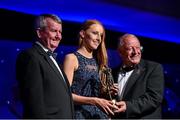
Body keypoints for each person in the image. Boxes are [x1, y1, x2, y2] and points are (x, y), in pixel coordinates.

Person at [16, 14, 74, 119]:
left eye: (60, 32)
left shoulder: (52, 59)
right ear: (39, 33)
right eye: (54, 31)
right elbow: (33, 103)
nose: (58, 36)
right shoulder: (30, 56)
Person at [63, 19, 117, 119]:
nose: (99, 39)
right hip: (79, 114)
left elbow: (96, 93)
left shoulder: (99, 62)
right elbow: (65, 94)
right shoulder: (72, 58)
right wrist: (94, 101)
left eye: (101, 35)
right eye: (95, 33)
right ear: (83, 34)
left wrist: (107, 91)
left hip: (97, 115)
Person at [112, 33, 164, 118]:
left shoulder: (153, 68)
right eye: (130, 48)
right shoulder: (112, 73)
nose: (136, 52)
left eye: (138, 47)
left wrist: (128, 107)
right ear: (120, 52)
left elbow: (154, 98)